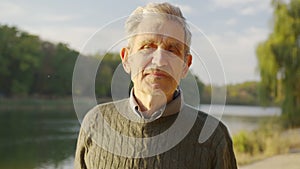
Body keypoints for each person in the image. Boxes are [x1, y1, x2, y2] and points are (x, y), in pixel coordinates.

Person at [75, 2, 237, 169]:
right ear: (127, 58)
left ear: (185, 65)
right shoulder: (95, 123)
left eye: (172, 50)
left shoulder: (213, 137)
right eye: (147, 47)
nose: (159, 61)